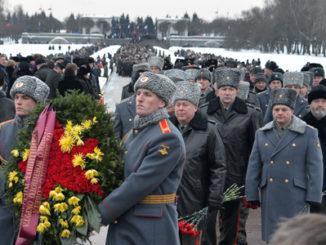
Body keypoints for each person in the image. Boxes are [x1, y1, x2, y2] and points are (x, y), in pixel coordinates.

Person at [98, 72, 186, 245]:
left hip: (149, 226)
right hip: (127, 220)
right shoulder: (135, 132)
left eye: (147, 94)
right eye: (138, 93)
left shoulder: (167, 137)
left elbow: (138, 184)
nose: (139, 98)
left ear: (162, 102)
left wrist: (101, 212)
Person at [245, 88, 323, 242]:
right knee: (273, 236)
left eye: (284, 109)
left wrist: (314, 197)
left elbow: (315, 167)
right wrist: (252, 193)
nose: (280, 113)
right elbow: (254, 165)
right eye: (276, 109)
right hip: (271, 193)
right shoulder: (262, 133)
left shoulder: (308, 132)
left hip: (296, 194)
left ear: (292, 111)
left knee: (295, 237)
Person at [201, 68, 262, 245]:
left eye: (231, 89)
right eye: (223, 89)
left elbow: (255, 148)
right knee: (207, 222)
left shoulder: (250, 114)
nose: (227, 93)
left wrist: (252, 178)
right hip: (209, 176)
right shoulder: (205, 112)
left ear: (237, 91)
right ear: (217, 90)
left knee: (232, 225)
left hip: (236, 176)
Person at [171, 81, 226, 245]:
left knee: (193, 239)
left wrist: (214, 196)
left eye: (185, 105)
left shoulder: (208, 131)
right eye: (178, 104)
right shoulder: (166, 128)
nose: (180, 108)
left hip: (195, 198)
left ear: (195, 107)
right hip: (169, 198)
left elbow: (219, 166)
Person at [0, 75, 50, 245]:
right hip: (5, 214)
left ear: (38, 102)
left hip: (40, 216)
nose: (18, 102)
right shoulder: (3, 130)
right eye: (16, 97)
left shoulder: (50, 132)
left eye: (25, 98)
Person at [302, 84, 326, 213]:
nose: (320, 105)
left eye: (323, 101)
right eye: (317, 101)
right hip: (308, 185)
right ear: (310, 104)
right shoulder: (302, 125)